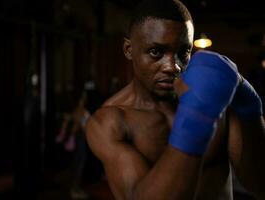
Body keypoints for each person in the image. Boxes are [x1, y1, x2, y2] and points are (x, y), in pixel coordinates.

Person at [85, 0, 265, 199]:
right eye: (156, 52)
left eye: (183, 53)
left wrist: (249, 109)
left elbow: (259, 184)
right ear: (129, 50)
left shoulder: (218, 102)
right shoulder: (111, 121)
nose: (173, 66)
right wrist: (197, 122)